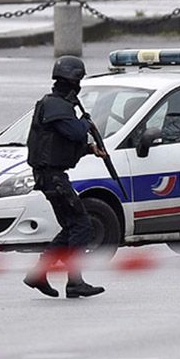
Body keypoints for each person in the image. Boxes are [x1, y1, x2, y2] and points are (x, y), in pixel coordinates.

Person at [23, 55, 106, 298]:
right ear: (74, 82)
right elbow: (73, 132)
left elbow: (59, 145)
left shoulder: (56, 105)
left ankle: (39, 274)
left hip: (52, 176)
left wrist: (91, 149)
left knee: (72, 226)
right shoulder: (56, 106)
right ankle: (74, 282)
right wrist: (85, 123)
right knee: (82, 224)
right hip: (53, 178)